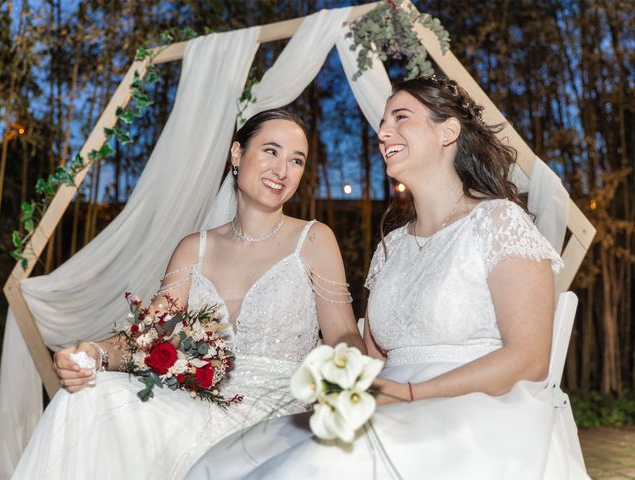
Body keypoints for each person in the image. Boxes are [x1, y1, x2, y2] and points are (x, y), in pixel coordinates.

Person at [187, 77, 590, 479]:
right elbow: (373, 358)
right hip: (386, 402)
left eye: (401, 117)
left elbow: (530, 359)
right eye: (383, 122)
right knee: (228, 459)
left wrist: (411, 394)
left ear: (448, 131)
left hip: (475, 407)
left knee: (318, 466)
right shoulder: (391, 248)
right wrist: (341, 390)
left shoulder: (499, 221)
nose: (382, 132)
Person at [12, 109, 365, 480]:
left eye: (297, 160)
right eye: (271, 151)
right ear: (237, 154)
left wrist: (347, 389)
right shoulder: (193, 249)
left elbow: (343, 334)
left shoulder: (313, 239)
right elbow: (149, 337)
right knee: (90, 397)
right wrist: (94, 352)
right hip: (200, 405)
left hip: (282, 412)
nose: (283, 170)